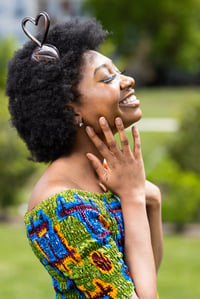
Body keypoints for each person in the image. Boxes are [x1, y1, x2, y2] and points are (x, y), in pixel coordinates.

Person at [6, 12, 163, 299]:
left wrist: (149, 200)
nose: (127, 80)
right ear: (71, 109)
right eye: (108, 79)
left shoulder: (106, 180)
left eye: (119, 71)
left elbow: (144, 276)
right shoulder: (61, 207)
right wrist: (133, 197)